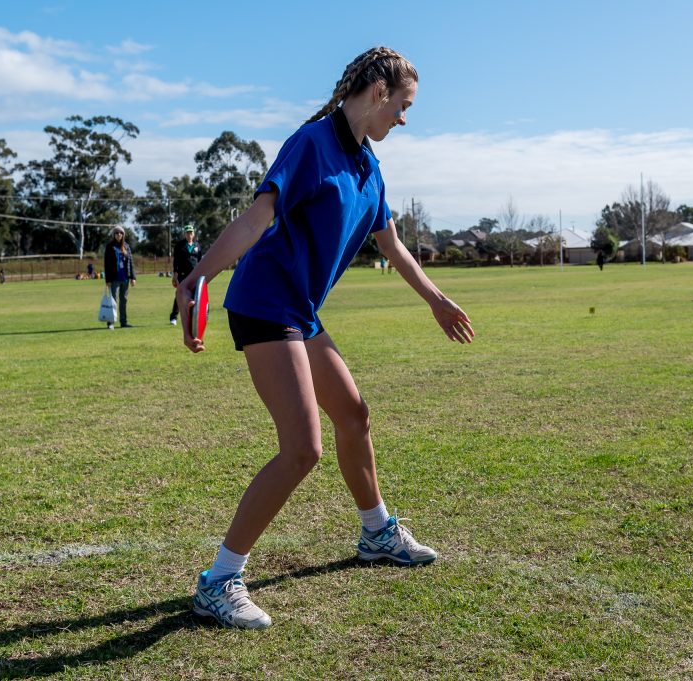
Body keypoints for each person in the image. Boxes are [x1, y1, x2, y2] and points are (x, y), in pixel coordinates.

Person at [175, 47, 475, 630]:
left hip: (301, 312)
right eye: (404, 106)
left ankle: (376, 533)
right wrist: (197, 277)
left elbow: (392, 246)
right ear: (379, 92)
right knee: (303, 448)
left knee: (354, 414)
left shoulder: (370, 167)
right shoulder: (312, 143)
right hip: (265, 304)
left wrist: (436, 300)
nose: (405, 120)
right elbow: (255, 219)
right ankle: (218, 581)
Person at [104, 226, 136, 329]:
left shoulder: (126, 246)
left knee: (124, 301)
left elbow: (130, 262)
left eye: (120, 233)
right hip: (114, 279)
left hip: (125, 279)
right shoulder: (110, 246)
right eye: (117, 233)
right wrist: (107, 280)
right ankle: (111, 323)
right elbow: (107, 264)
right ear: (114, 234)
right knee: (113, 300)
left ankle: (123, 322)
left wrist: (133, 277)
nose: (119, 235)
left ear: (123, 235)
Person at [170, 224, 202, 324]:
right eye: (187, 233)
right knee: (180, 295)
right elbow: (176, 261)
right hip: (182, 275)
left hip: (195, 275)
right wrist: (175, 274)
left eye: (191, 232)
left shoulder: (197, 245)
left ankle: (194, 316)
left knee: (196, 296)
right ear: (185, 234)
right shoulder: (180, 245)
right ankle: (173, 317)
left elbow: (200, 260)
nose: (189, 234)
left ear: (193, 234)